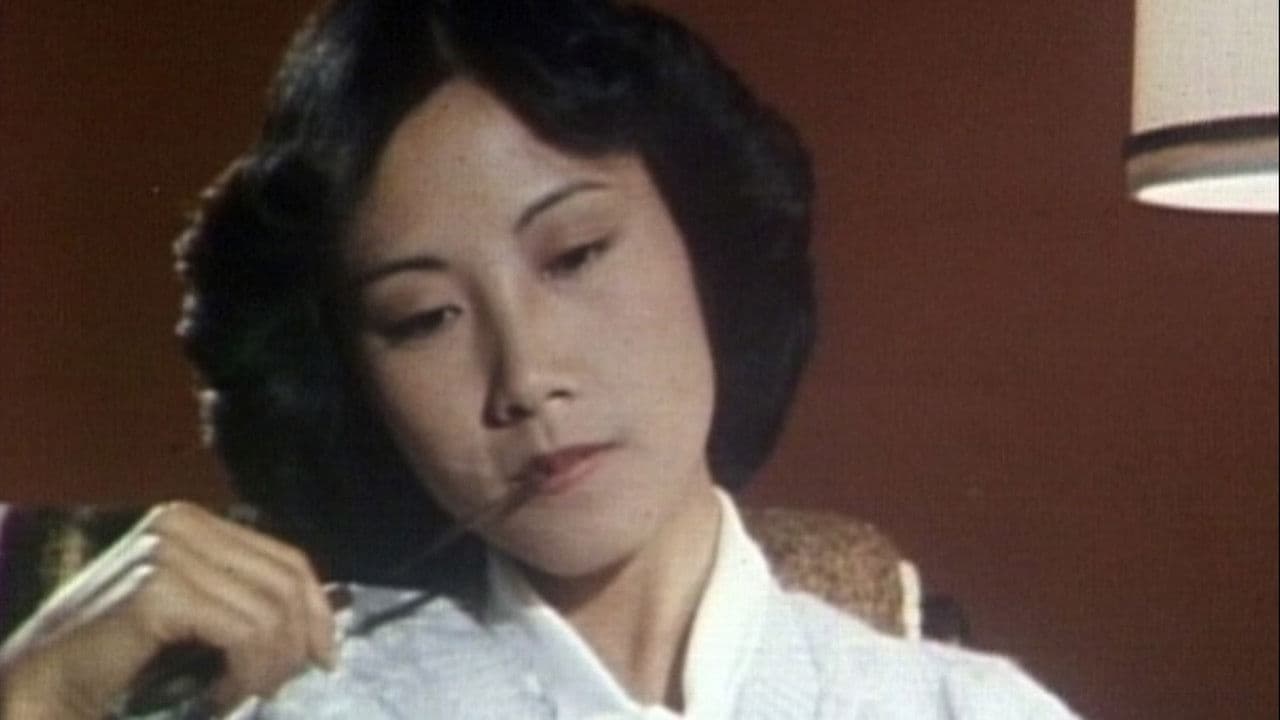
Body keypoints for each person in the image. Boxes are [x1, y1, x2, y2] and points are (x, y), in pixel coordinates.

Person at [0, 1, 1078, 717]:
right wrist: (35, 699)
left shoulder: (960, 709)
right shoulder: (307, 706)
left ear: (701, 242)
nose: (524, 379)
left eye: (575, 255)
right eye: (423, 318)